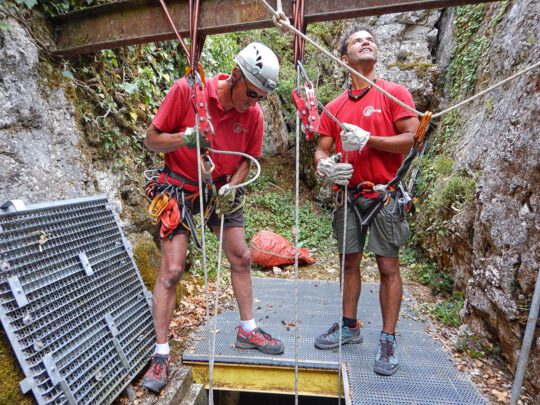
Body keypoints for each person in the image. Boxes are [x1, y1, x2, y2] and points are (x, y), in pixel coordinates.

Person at [142, 42, 284, 393]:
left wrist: (232, 188)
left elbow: (248, 161)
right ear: (235, 75)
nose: (252, 103)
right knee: (172, 270)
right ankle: (161, 354)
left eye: (260, 98)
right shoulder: (187, 92)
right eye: (250, 93)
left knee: (241, 257)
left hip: (221, 188)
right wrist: (185, 139)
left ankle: (248, 329)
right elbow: (151, 139)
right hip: (179, 186)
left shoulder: (253, 115)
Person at [313, 27, 420, 376]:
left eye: (370, 39)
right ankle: (349, 325)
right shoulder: (334, 107)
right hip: (349, 195)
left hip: (383, 194)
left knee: (388, 267)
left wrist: (370, 139)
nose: (366, 42)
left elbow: (410, 140)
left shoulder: (393, 93)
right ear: (344, 58)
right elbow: (322, 148)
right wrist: (323, 166)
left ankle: (388, 337)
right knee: (349, 263)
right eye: (358, 40)